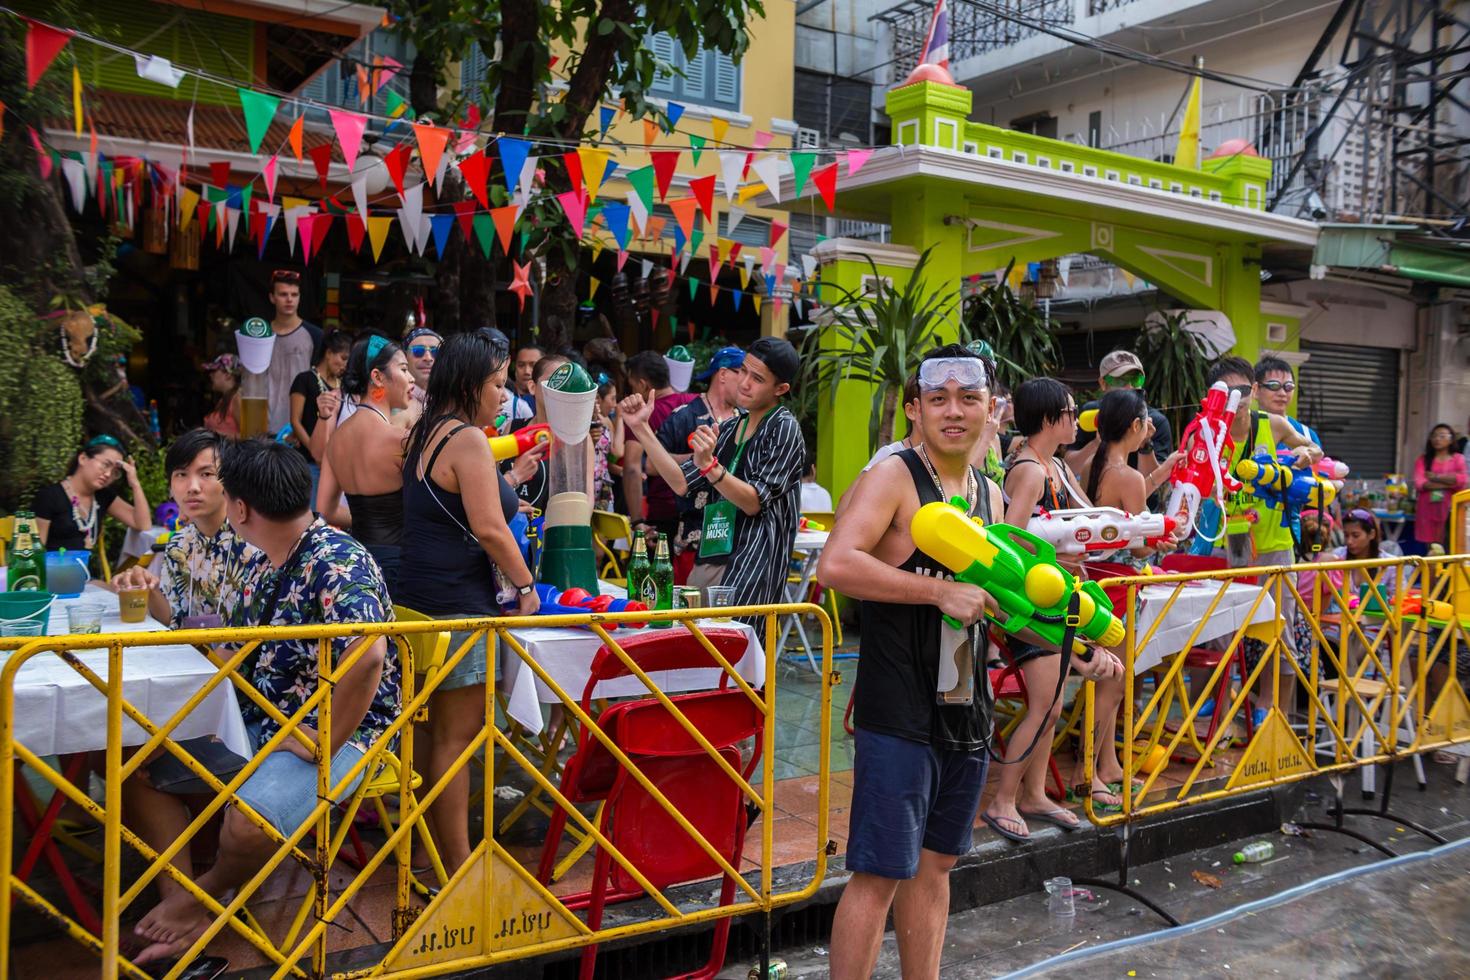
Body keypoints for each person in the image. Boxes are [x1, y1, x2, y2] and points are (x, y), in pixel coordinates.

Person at [819, 346, 1122, 979]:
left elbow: (1006, 602)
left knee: (936, 868)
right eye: (938, 399)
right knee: (879, 873)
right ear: (915, 410)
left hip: (966, 708)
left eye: (969, 398)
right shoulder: (897, 476)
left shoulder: (987, 493)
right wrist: (935, 590)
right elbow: (837, 565)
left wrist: (1080, 649)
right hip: (898, 706)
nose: (954, 412)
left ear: (992, 410)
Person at [129, 439, 397, 964]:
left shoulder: (337, 560)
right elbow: (241, 645)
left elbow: (368, 658)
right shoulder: (263, 559)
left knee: (247, 822)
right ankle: (186, 904)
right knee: (139, 768)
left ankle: (203, 896)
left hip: (349, 732)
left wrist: (322, 739)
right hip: (260, 717)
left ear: (242, 509)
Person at [396, 331, 540, 873]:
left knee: (434, 736)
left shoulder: (424, 433)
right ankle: (457, 864)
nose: (503, 396)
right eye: (497, 384)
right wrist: (526, 588)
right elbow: (489, 530)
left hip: (417, 601)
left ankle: (432, 852)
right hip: (457, 606)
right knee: (456, 741)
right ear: (469, 384)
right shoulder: (468, 439)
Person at [986, 377, 1129, 838]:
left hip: (1059, 596)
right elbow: (1010, 542)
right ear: (1050, 418)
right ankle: (1004, 799)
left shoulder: (1058, 467)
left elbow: (1094, 518)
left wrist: (1138, 530)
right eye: (1070, 411)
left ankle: (1035, 793)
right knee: (1044, 705)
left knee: (1066, 697)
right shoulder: (1029, 470)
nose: (1077, 419)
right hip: (1030, 603)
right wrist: (1059, 558)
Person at [620, 336, 805, 613]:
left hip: (751, 569)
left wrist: (710, 467)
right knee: (698, 651)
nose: (744, 382)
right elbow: (681, 483)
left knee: (736, 652)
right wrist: (642, 428)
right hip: (712, 556)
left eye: (757, 378)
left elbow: (754, 501)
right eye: (742, 371)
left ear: (781, 388)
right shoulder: (731, 427)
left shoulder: (783, 427)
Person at [1208, 355, 1323, 724]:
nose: (1236, 398)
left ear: (1252, 391)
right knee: (1221, 631)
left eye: (1243, 390)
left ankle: (1271, 708)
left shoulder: (1271, 425)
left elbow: (1315, 450)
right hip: (1228, 546)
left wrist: (1304, 454)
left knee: (1280, 630)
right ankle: (1221, 705)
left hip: (1274, 546)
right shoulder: (1210, 432)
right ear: (1214, 395)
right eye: (1227, 391)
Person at [110, 429, 263, 629]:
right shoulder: (178, 545)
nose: (193, 487)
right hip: (188, 656)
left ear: (229, 481)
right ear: (171, 488)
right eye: (181, 474)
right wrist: (150, 588)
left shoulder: (256, 542)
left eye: (206, 474)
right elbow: (171, 619)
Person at [315, 337, 417, 592]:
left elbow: (325, 510)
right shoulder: (401, 441)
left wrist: (367, 518)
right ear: (378, 377)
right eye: (404, 369)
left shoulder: (336, 441)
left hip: (356, 562)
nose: (412, 378)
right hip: (401, 564)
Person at [655, 345, 743, 578]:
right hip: (694, 534)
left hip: (735, 537)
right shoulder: (685, 415)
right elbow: (651, 465)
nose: (746, 383)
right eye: (741, 372)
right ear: (723, 374)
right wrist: (697, 459)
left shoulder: (744, 420)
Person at [621, 350, 697, 540]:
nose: (632, 392)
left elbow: (632, 468)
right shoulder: (695, 404)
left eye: (632, 386)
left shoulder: (643, 414)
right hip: (697, 510)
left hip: (663, 511)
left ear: (642, 384)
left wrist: (637, 520)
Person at [1067, 349, 1173, 483]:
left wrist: (1145, 445)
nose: (1129, 387)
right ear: (1103, 383)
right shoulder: (1091, 415)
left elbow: (1157, 484)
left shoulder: (1156, 421)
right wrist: (1097, 443)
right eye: (1120, 380)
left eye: (1135, 379)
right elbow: (1070, 468)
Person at [33, 434, 152, 553]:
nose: (108, 474)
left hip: (85, 571)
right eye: (105, 465)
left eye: (115, 472)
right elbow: (36, 552)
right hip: (54, 570)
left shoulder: (102, 495)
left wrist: (135, 483)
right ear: (83, 459)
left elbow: (143, 524)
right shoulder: (49, 496)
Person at [263, 270, 323, 437]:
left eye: (294, 294)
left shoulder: (315, 336)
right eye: (283, 294)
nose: (289, 299)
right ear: (272, 297)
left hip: (300, 428)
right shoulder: (260, 335)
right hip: (263, 425)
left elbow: (320, 383)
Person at [289, 329, 350, 466]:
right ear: (328, 353)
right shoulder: (304, 379)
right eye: (343, 358)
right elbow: (295, 421)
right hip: (307, 461)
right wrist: (313, 449)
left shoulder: (344, 385)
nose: (345, 365)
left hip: (335, 462)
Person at [1414, 423, 1467, 548]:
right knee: (1432, 549)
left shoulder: (1458, 459)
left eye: (1442, 436)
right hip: (1428, 510)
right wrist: (1449, 483)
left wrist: (1436, 477)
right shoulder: (1423, 460)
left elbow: (1462, 481)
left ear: (1451, 439)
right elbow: (1421, 484)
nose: (1437, 439)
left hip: (1451, 509)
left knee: (1451, 545)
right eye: (1434, 436)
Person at [502, 343, 543, 427]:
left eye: (533, 365)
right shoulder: (504, 397)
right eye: (521, 365)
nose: (527, 371)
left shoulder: (548, 402)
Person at [201, 354, 242, 437]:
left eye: (214, 371)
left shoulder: (237, 398)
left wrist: (212, 436)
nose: (210, 375)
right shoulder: (224, 400)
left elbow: (249, 437)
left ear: (228, 375)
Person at [402, 325, 441, 407]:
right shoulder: (395, 400)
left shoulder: (450, 400)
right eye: (418, 351)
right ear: (404, 357)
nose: (428, 358)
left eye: (435, 352)